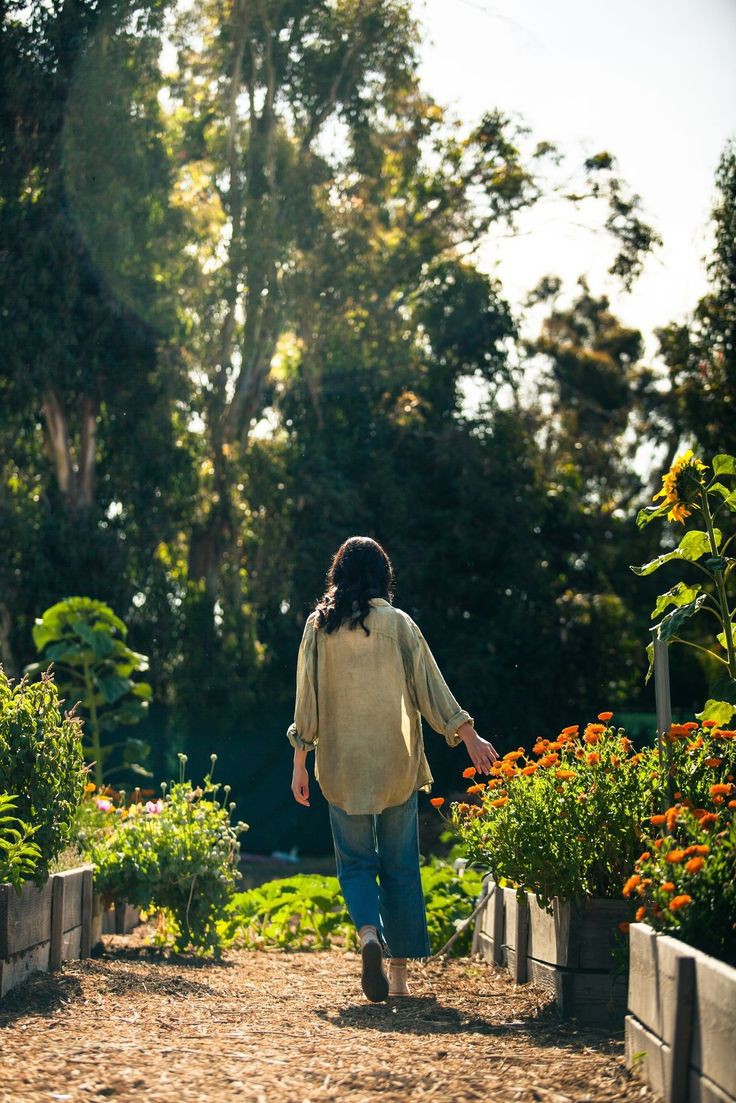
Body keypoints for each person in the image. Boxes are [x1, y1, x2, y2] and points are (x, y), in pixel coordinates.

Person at [287, 536, 499, 1002]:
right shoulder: (399, 624)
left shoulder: (317, 627)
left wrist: (300, 762)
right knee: (401, 866)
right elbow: (430, 687)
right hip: (395, 765)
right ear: (383, 576)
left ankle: (368, 935)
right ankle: (400, 980)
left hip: (342, 768)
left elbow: (307, 702)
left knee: (356, 865)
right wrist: (468, 735)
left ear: (337, 575)